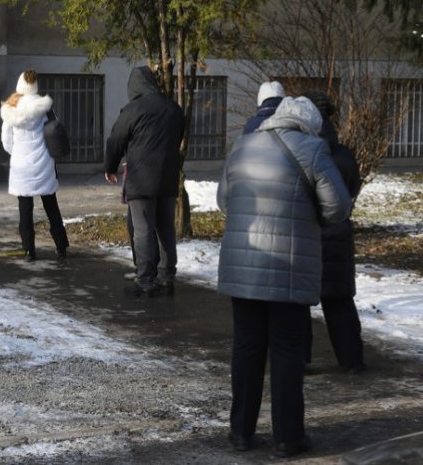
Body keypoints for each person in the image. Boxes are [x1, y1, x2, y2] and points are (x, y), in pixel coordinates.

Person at [217, 96, 351, 458]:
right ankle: (288, 438)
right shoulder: (312, 149)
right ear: (308, 124)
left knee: (246, 348)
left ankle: (241, 432)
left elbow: (223, 200)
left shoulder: (243, 145)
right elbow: (338, 207)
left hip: (244, 267)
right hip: (288, 267)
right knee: (287, 351)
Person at [104, 66, 184, 297]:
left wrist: (110, 167)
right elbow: (177, 138)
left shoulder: (132, 110)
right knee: (166, 229)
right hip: (168, 179)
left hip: (141, 180)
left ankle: (146, 280)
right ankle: (167, 276)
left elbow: (116, 140)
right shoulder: (174, 109)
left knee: (143, 229)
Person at [304, 91, 365, 374]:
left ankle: (299, 360)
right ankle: (352, 360)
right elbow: (352, 189)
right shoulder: (343, 154)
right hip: (338, 235)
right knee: (340, 303)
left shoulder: (301, 152)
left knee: (298, 304)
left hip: (306, 235)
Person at [0, 69, 69, 261]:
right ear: (35, 85)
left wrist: (18, 153)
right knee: (51, 206)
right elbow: (55, 133)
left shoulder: (11, 107)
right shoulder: (45, 107)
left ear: (20, 85)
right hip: (44, 163)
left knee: (25, 208)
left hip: (22, 166)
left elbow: (6, 141)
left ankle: (29, 250)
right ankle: (61, 246)